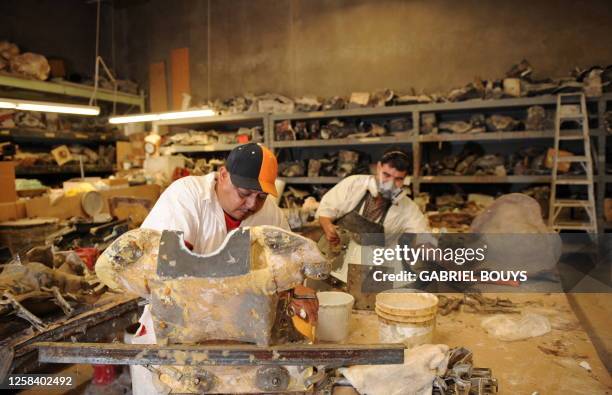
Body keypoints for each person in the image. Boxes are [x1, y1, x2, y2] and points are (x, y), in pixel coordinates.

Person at [141, 142, 289, 253]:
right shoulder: (186, 194)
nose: (252, 204)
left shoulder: (271, 213)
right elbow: (164, 262)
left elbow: (289, 259)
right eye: (244, 193)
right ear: (223, 175)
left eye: (262, 196)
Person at [317, 148, 429, 245]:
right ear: (378, 167)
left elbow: (423, 239)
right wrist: (328, 227)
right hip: (338, 255)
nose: (390, 184)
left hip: (374, 262)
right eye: (386, 175)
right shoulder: (353, 183)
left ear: (404, 179)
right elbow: (325, 212)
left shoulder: (408, 208)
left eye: (398, 179)